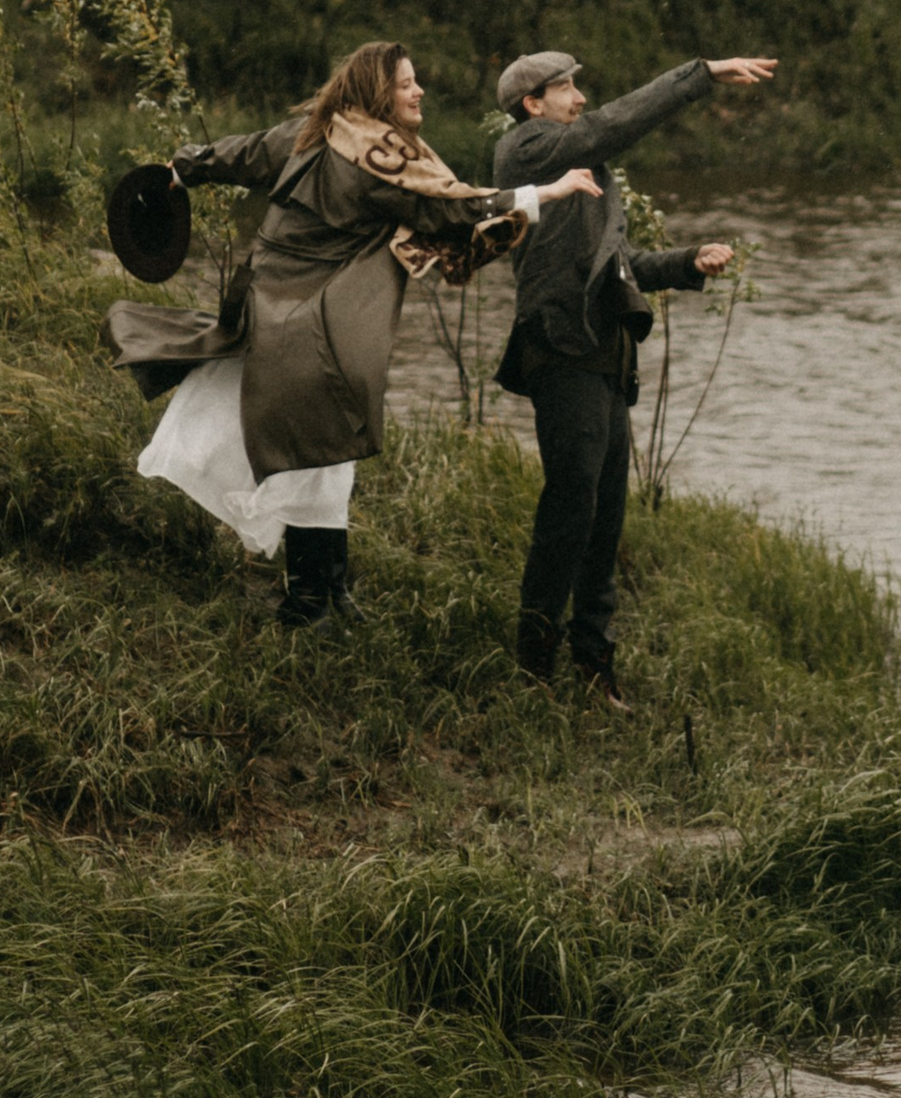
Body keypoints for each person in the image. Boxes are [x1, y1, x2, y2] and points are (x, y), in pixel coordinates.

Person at [109, 39, 600, 628]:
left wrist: (183, 167)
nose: (419, 92)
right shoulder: (375, 156)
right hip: (308, 316)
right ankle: (307, 599)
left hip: (281, 305)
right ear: (377, 93)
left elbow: (243, 154)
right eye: (406, 84)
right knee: (315, 448)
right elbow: (453, 208)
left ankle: (327, 591)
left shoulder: (318, 130)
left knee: (325, 453)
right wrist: (546, 190)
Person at [491, 46, 776, 700]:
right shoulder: (529, 152)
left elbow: (621, 266)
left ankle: (595, 669)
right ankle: (532, 669)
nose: (580, 99)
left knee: (605, 518)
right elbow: (614, 123)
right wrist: (700, 74)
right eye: (567, 89)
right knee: (570, 512)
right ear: (533, 105)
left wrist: (686, 263)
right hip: (561, 351)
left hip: (603, 358)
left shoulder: (581, 171)